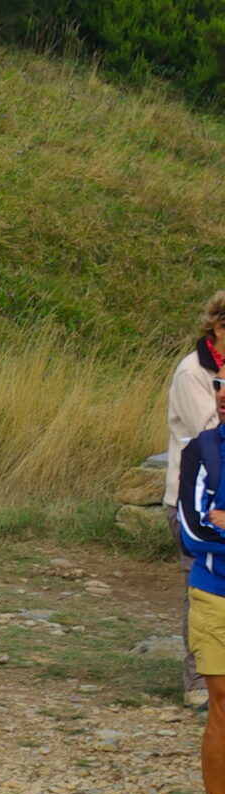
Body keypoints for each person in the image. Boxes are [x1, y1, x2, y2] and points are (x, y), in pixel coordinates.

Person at [172, 370, 225, 794]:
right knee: (223, 708)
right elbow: (192, 532)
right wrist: (213, 522)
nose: (224, 396)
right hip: (216, 595)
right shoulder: (203, 451)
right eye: (222, 384)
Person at [171, 294, 225, 706]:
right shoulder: (194, 373)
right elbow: (210, 434)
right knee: (201, 584)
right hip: (192, 495)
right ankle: (197, 683)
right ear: (218, 327)